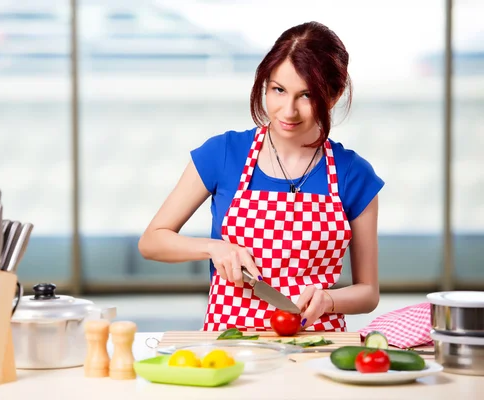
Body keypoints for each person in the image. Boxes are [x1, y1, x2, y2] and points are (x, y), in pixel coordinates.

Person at [138, 21, 384, 332]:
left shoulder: (353, 174)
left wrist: (330, 301)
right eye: (278, 90)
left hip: (316, 344)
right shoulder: (224, 153)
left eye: (307, 95)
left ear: (334, 96)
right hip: (231, 343)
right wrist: (215, 248)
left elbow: (368, 293)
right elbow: (152, 241)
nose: (288, 111)